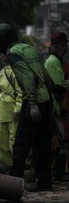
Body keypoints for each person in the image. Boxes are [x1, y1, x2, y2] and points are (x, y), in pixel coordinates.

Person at [0, 23, 53, 192]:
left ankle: (13, 184)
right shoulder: (28, 48)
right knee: (42, 143)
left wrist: (32, 105)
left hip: (32, 101)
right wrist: (49, 98)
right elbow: (44, 74)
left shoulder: (13, 53)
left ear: (5, 39)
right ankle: (44, 182)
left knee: (20, 145)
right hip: (45, 98)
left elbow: (28, 78)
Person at [44, 31, 69, 181]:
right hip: (53, 107)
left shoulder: (54, 60)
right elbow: (58, 87)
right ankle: (56, 173)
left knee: (58, 141)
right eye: (63, 46)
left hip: (55, 106)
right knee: (59, 141)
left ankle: (56, 173)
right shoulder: (53, 62)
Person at [0, 60, 23, 167]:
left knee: (13, 139)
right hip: (2, 109)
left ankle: (16, 165)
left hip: (13, 109)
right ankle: (6, 164)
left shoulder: (17, 71)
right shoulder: (2, 72)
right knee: (1, 139)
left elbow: (20, 92)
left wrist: (17, 109)